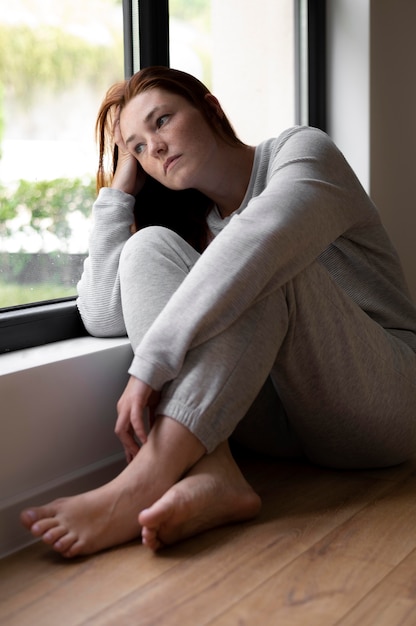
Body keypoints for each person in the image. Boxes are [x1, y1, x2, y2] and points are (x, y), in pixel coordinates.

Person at [20, 66, 416, 557]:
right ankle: (214, 471)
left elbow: (260, 243)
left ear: (209, 108)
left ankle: (145, 479)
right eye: (138, 147)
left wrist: (150, 366)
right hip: (274, 422)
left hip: (382, 399)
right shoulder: (192, 223)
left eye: (161, 121)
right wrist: (120, 193)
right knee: (146, 248)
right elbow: (102, 315)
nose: (155, 149)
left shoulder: (303, 153)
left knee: (265, 264)